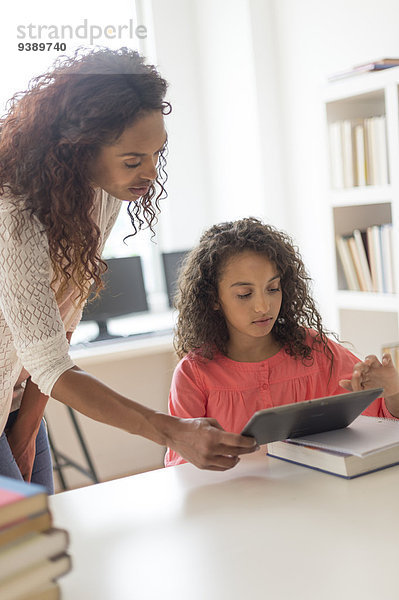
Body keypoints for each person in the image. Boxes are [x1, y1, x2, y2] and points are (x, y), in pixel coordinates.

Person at [0, 47, 257, 493]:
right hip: (22, 375)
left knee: (32, 535)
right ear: (77, 150)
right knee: (16, 552)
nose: (149, 173)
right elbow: (48, 361)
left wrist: (24, 429)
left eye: (156, 154)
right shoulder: (12, 213)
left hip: (19, 388)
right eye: (133, 160)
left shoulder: (102, 193)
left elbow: (60, 327)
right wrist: (174, 431)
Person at [165, 217, 399, 467]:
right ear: (213, 299)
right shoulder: (194, 374)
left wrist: (394, 391)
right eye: (245, 294)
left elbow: (382, 423)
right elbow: (181, 467)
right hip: (234, 502)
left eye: (273, 288)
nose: (263, 306)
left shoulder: (315, 350)